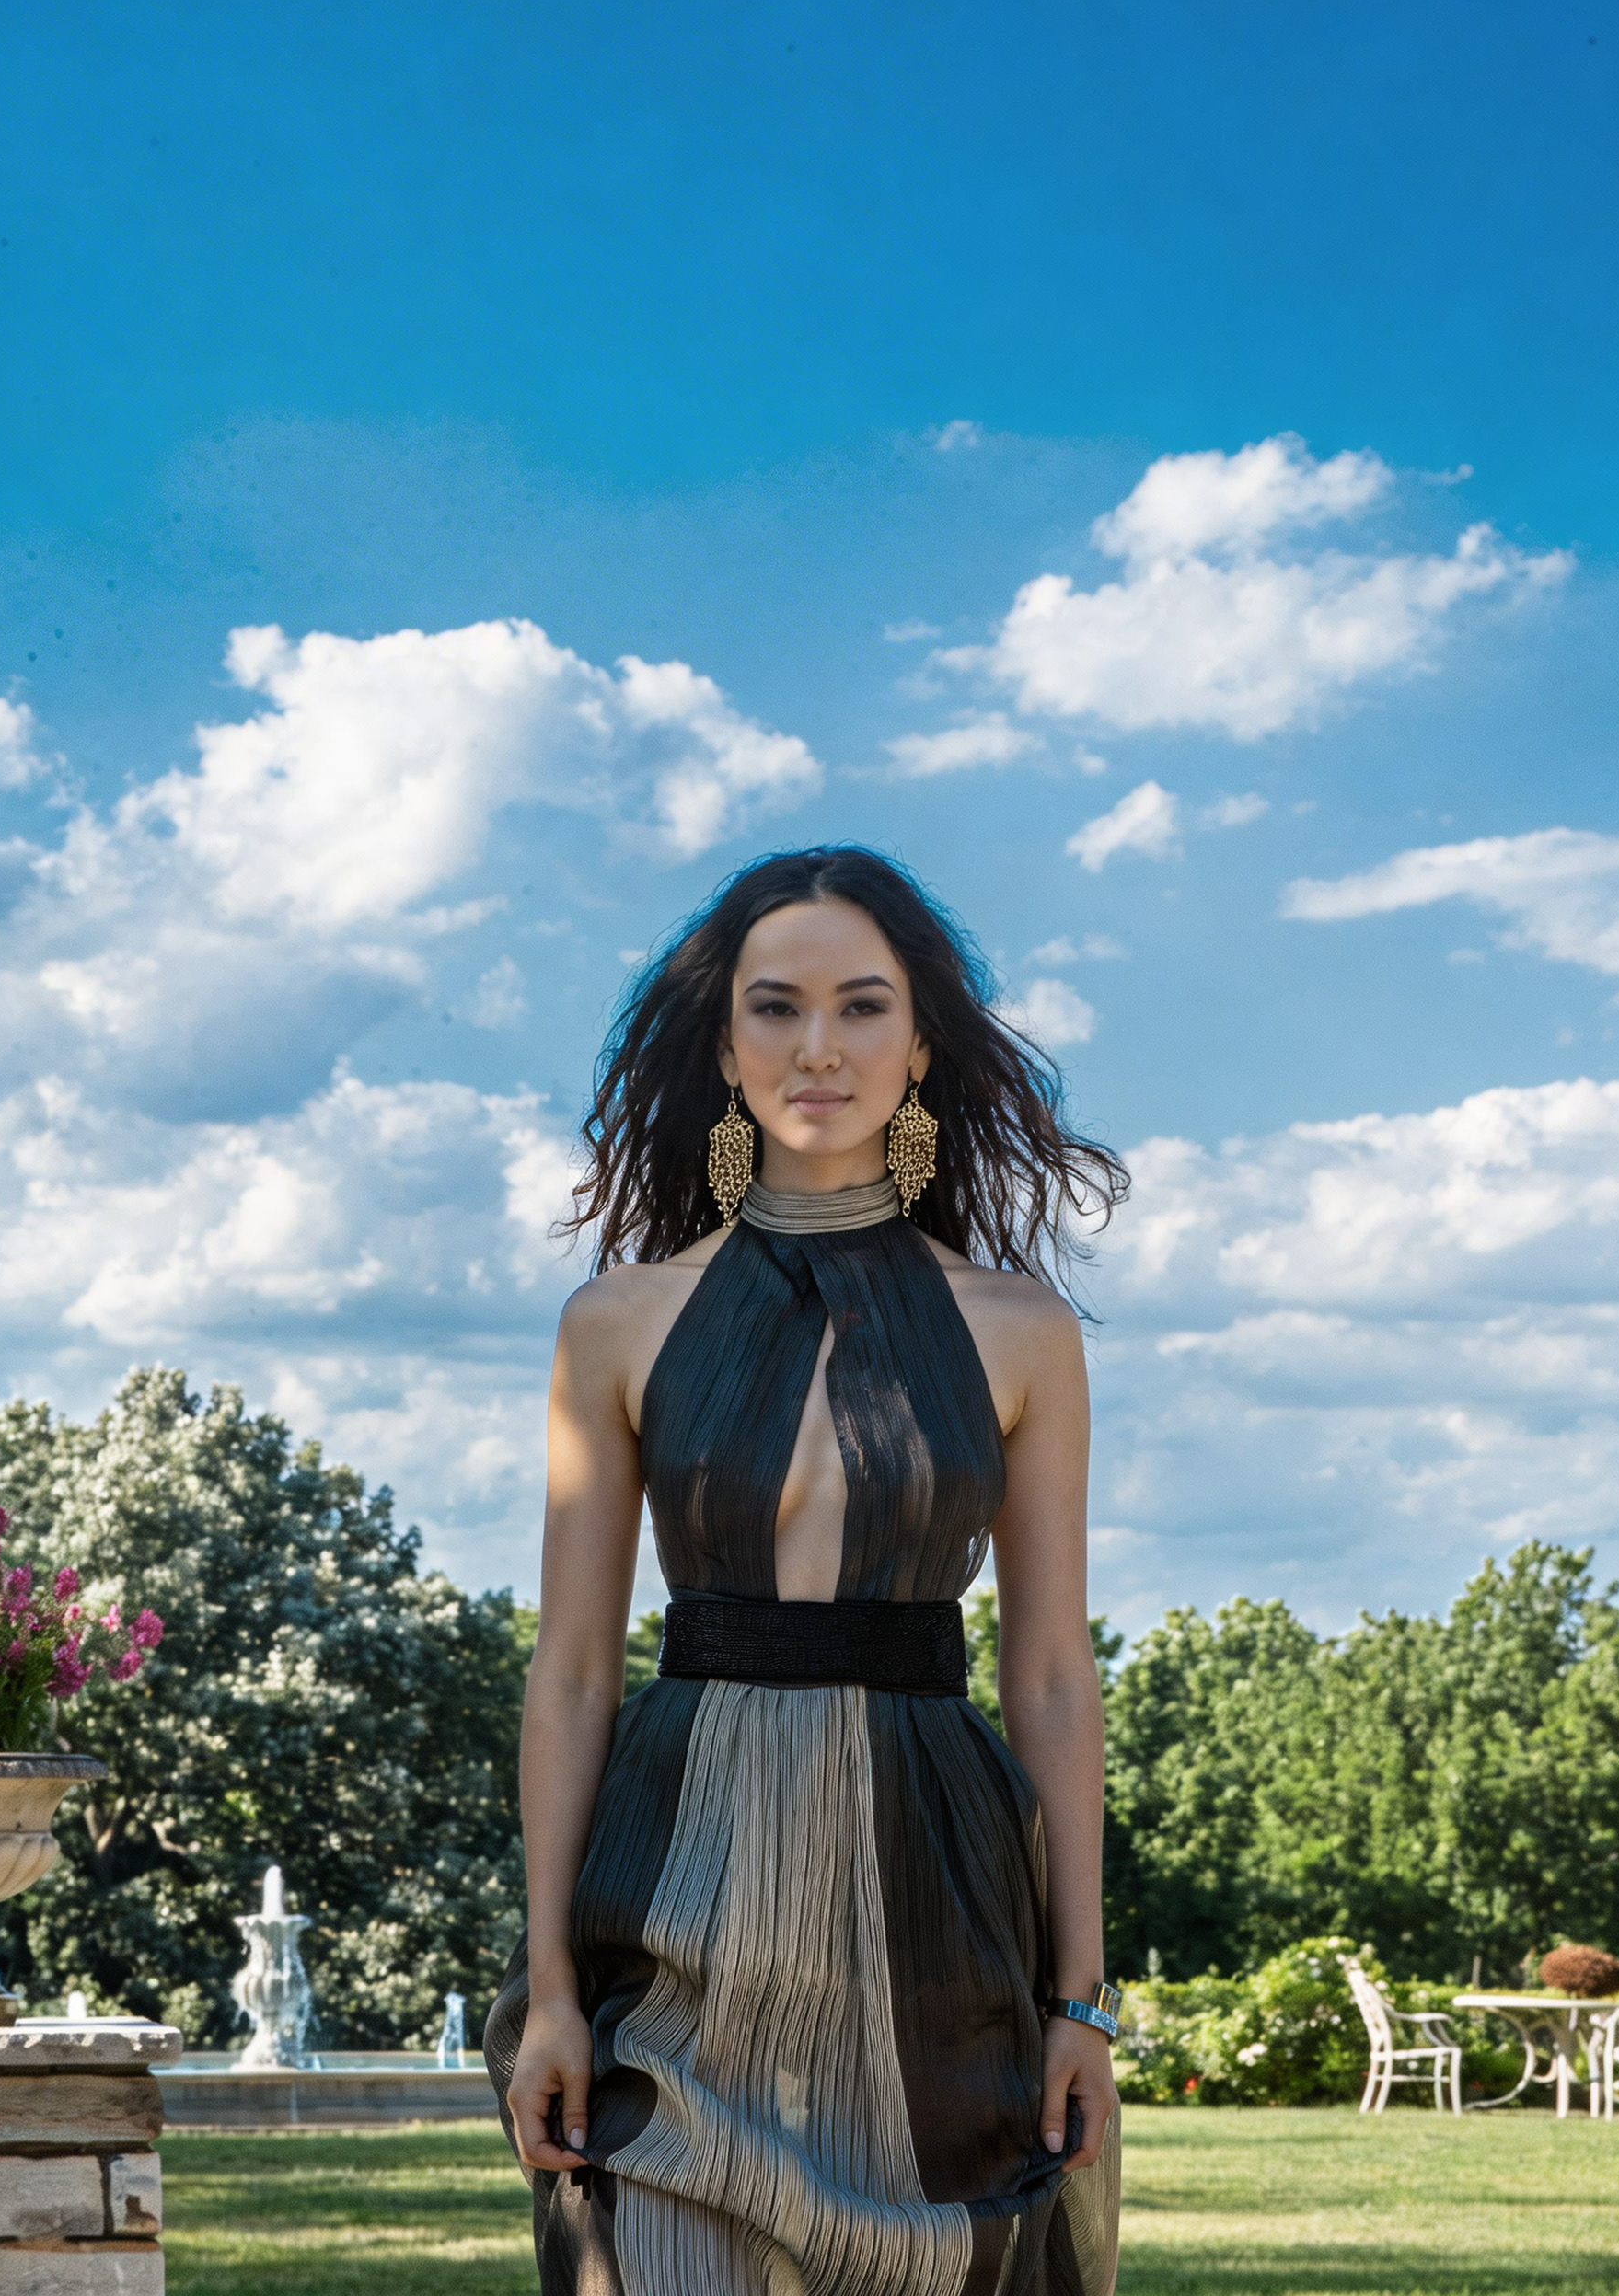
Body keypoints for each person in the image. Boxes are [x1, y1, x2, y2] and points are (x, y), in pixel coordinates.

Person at [487, 846, 1129, 2295]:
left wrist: (1080, 2000)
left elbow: (1047, 1672)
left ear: (920, 1046)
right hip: (671, 1903)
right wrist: (551, 1990)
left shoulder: (1024, 1332)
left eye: (862, 1006)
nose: (818, 1048)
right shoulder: (616, 1323)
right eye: (776, 1008)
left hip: (937, 1914)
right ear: (725, 1049)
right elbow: (575, 1671)